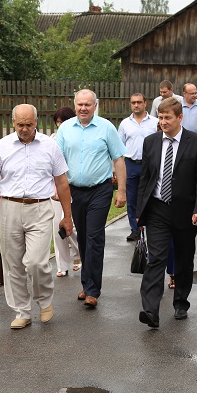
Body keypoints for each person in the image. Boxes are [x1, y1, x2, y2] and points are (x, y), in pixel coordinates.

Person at [0, 104, 73, 330]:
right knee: (13, 263)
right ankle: (22, 311)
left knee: (36, 262)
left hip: (40, 208)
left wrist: (67, 216)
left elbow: (62, 182)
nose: (24, 129)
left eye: (29, 124)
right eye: (20, 124)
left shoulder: (50, 146)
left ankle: (45, 301)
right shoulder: (2, 147)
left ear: (36, 122)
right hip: (9, 208)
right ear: (13, 123)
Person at [136, 97, 197, 328]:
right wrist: (140, 211)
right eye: (160, 117)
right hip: (157, 209)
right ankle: (150, 310)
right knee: (155, 259)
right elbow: (145, 179)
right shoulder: (150, 142)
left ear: (180, 117)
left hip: (186, 211)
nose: (163, 122)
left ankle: (180, 302)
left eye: (167, 117)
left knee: (183, 258)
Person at [56, 89, 127, 309]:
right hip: (74, 191)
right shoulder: (65, 129)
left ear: (95, 106)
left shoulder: (106, 127)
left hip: (100, 190)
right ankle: (86, 284)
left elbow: (119, 159)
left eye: (88, 104)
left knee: (95, 237)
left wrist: (122, 190)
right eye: (80, 104)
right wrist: (54, 188)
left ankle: (93, 290)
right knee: (84, 237)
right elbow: (56, 161)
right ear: (74, 105)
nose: (83, 108)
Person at [118, 93, 159, 241]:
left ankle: (152, 226)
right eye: (133, 102)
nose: (136, 105)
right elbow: (119, 147)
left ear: (145, 103)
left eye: (139, 102)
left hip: (150, 165)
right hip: (131, 164)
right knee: (132, 198)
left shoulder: (155, 122)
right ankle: (135, 229)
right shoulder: (125, 124)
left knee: (152, 196)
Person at [51, 106, 81, 277]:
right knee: (57, 227)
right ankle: (62, 265)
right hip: (54, 188)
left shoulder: (78, 138)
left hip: (73, 186)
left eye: (63, 121)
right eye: (58, 122)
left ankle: (79, 253)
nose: (60, 125)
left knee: (72, 226)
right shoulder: (52, 139)